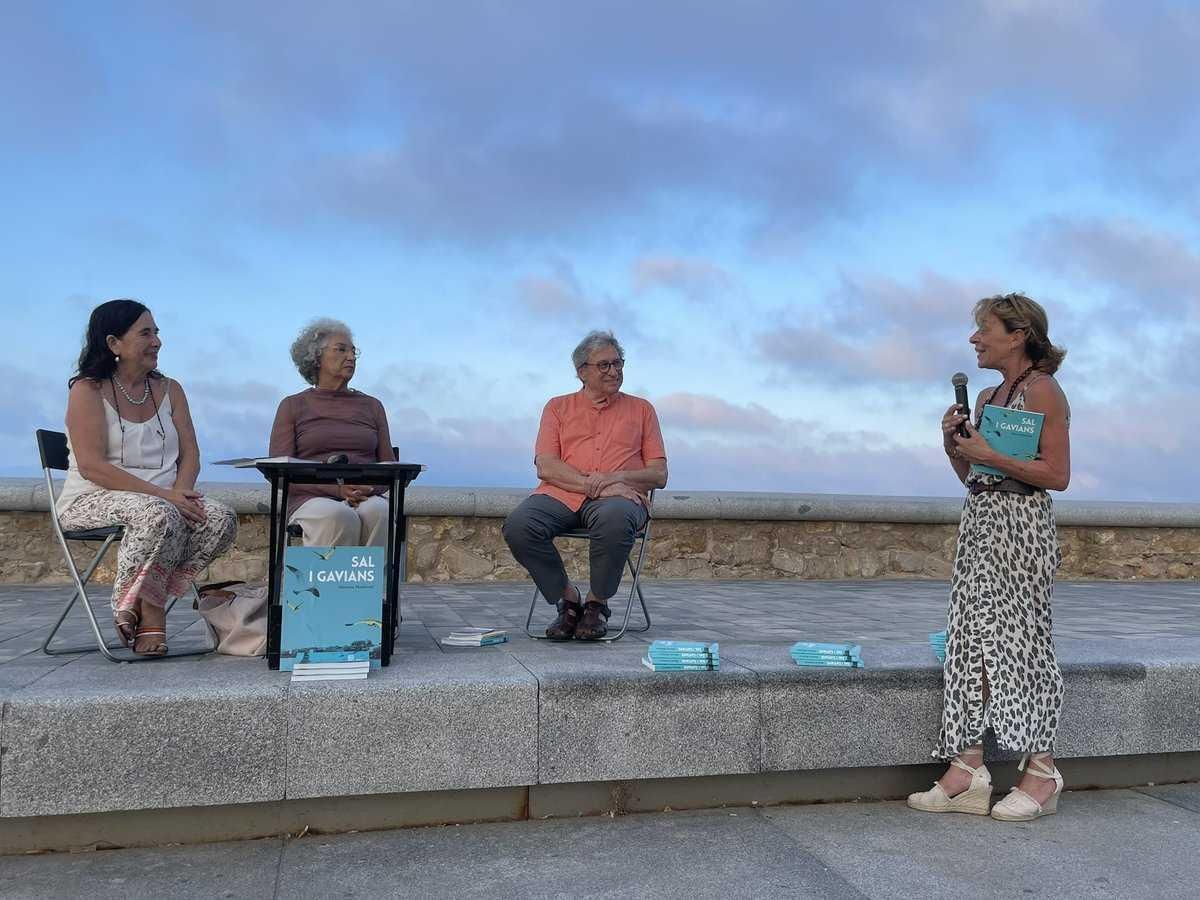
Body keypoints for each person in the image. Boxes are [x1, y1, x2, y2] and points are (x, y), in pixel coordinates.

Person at [908, 292, 1071, 822]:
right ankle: (967, 771)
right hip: (981, 522)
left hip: (1022, 528)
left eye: (984, 330)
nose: (975, 339)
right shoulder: (986, 397)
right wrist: (957, 449)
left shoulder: (1044, 391)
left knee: (1022, 641)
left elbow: (1057, 475)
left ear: (1017, 334)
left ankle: (1042, 771)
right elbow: (979, 479)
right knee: (968, 639)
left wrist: (991, 454)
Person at [57, 299, 238, 656]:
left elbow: (190, 453)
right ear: (113, 344)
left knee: (219, 518)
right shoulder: (87, 390)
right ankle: (148, 612)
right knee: (159, 513)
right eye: (145, 333)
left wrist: (181, 491)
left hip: (164, 500)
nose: (157, 341)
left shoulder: (171, 389)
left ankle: (145, 600)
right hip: (93, 497)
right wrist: (165, 497)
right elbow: (93, 466)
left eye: (156, 332)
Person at [502, 330, 668, 641]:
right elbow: (546, 466)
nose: (614, 371)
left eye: (618, 364)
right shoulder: (557, 407)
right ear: (582, 371)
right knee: (519, 525)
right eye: (604, 365)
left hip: (620, 499)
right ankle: (569, 600)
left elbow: (659, 474)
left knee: (615, 517)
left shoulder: (642, 409)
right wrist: (596, 485)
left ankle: (596, 604)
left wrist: (615, 479)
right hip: (560, 495)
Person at [269, 318, 395, 547]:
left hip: (363, 494)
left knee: (381, 511)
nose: (351, 356)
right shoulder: (292, 406)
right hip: (311, 497)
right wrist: (336, 490)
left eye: (353, 350)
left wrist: (370, 488)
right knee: (339, 516)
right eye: (341, 349)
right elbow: (280, 472)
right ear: (316, 357)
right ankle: (324, 583)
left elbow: (388, 467)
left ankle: (374, 583)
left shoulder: (372, 406)